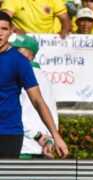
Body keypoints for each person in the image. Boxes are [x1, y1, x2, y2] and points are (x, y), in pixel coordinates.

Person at [0, 11, 68, 158]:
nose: (0, 33)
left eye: (4, 29)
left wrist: (55, 136)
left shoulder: (20, 62)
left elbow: (38, 101)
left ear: (11, 32)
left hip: (8, 133)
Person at [9, 34, 59, 159]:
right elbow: (52, 114)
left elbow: (11, 114)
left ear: (30, 54)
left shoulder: (15, 76)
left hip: (19, 148)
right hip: (41, 149)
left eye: (17, 49)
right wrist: (50, 140)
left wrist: (37, 136)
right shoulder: (46, 80)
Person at [1, 0, 72, 38]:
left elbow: (65, 19)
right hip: (22, 41)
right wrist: (14, 28)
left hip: (46, 42)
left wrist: (65, 29)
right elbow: (4, 17)